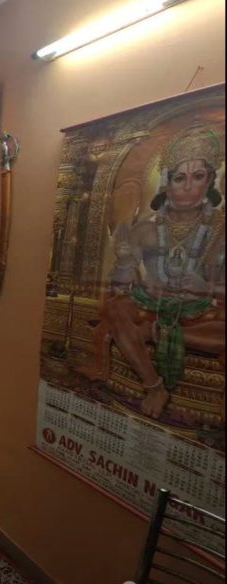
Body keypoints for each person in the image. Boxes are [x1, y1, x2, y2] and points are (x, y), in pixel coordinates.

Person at [77, 126, 225, 420]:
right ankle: (154, 386)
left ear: (210, 181)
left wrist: (206, 287)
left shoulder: (220, 230)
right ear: (167, 182)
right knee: (117, 309)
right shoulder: (145, 228)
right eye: (180, 178)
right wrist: (125, 266)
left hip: (199, 312)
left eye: (198, 177)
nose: (188, 186)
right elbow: (121, 282)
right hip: (148, 305)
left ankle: (158, 333)